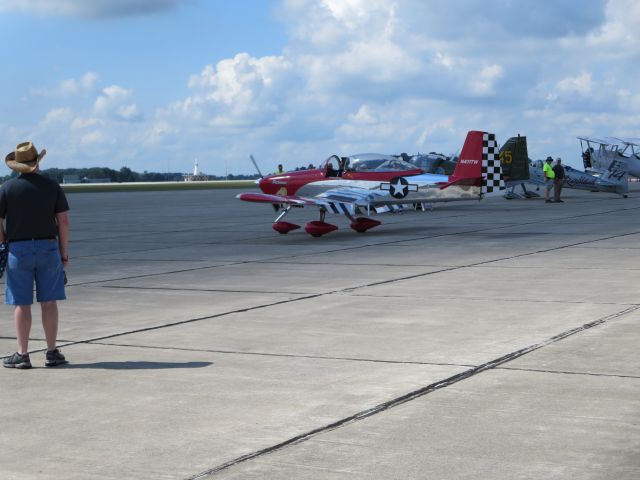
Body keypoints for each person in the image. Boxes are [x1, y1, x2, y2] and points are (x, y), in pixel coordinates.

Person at [1, 142, 70, 369]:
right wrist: (64, 253)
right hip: (48, 248)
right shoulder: (52, 187)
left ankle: (22, 354)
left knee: (22, 303)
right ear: (37, 161)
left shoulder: (7, 188)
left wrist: (3, 243)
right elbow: (63, 221)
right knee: (49, 302)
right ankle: (51, 352)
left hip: (18, 250)